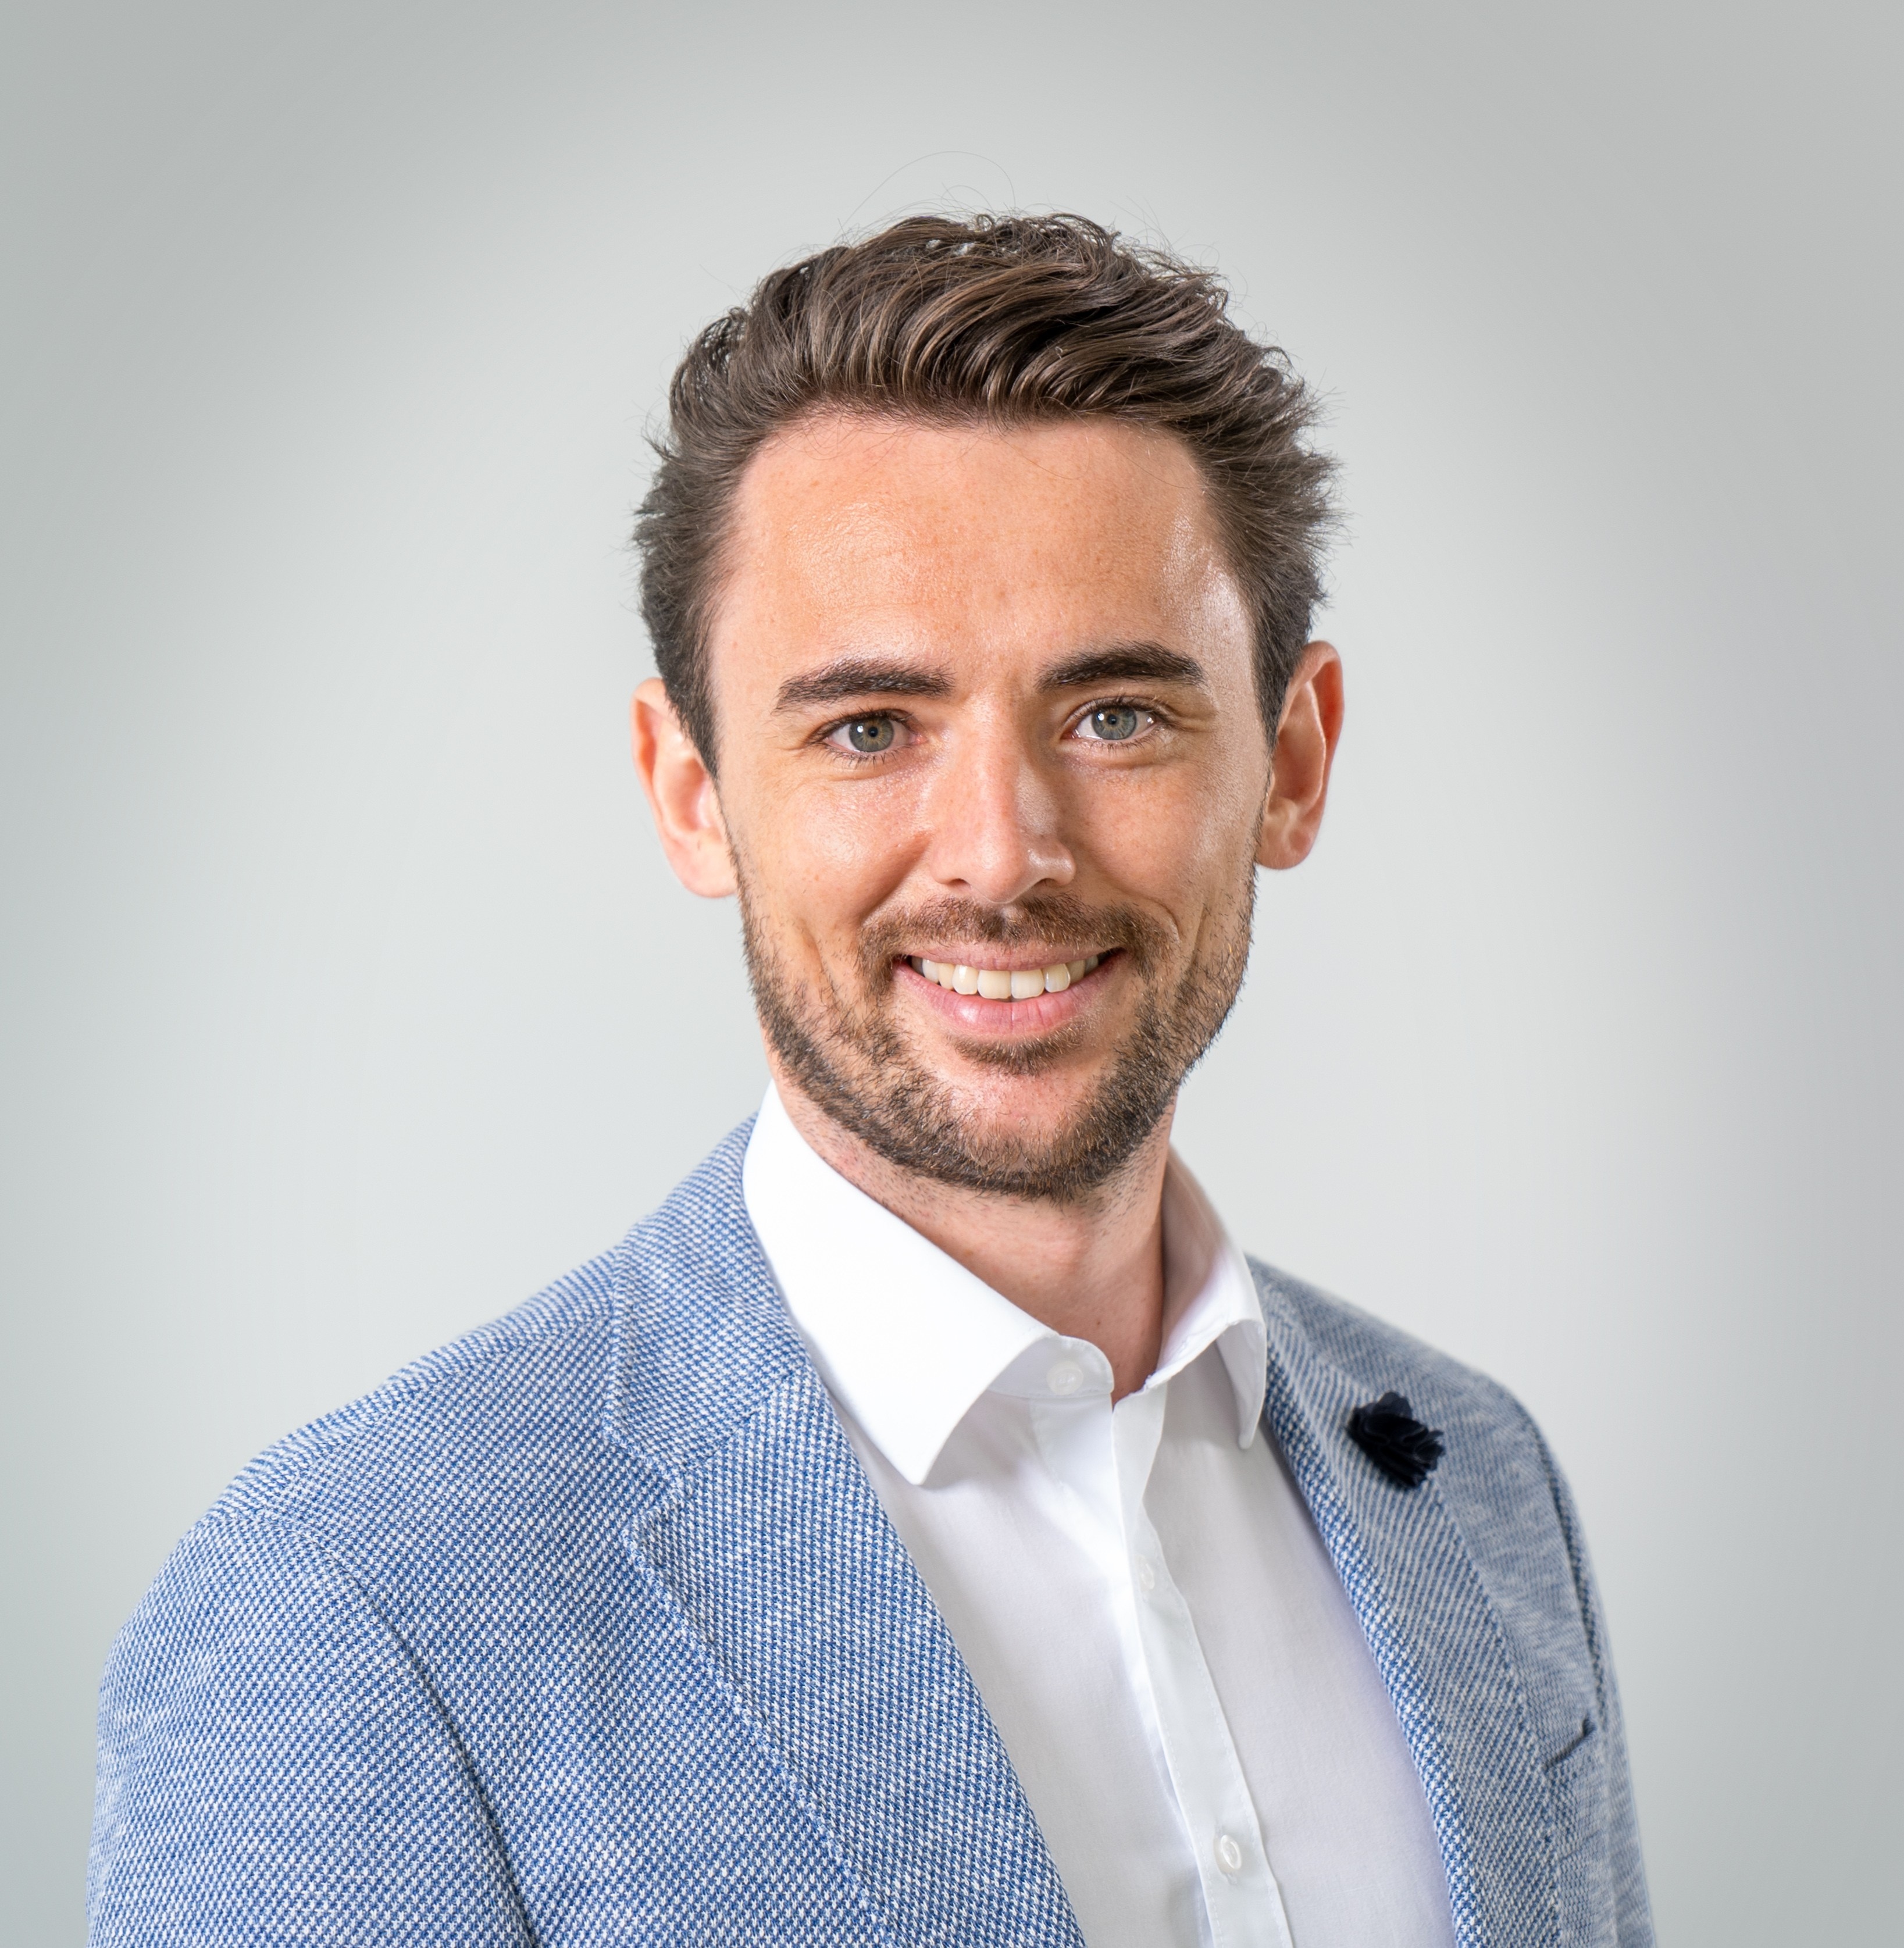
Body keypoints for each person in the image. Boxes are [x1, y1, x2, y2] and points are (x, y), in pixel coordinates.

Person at [88, 214, 1652, 1948]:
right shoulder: (351, 1614)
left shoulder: (1477, 1483)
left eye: (1117, 715)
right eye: (868, 729)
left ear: (1293, 759)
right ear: (691, 794)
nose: (1002, 854)